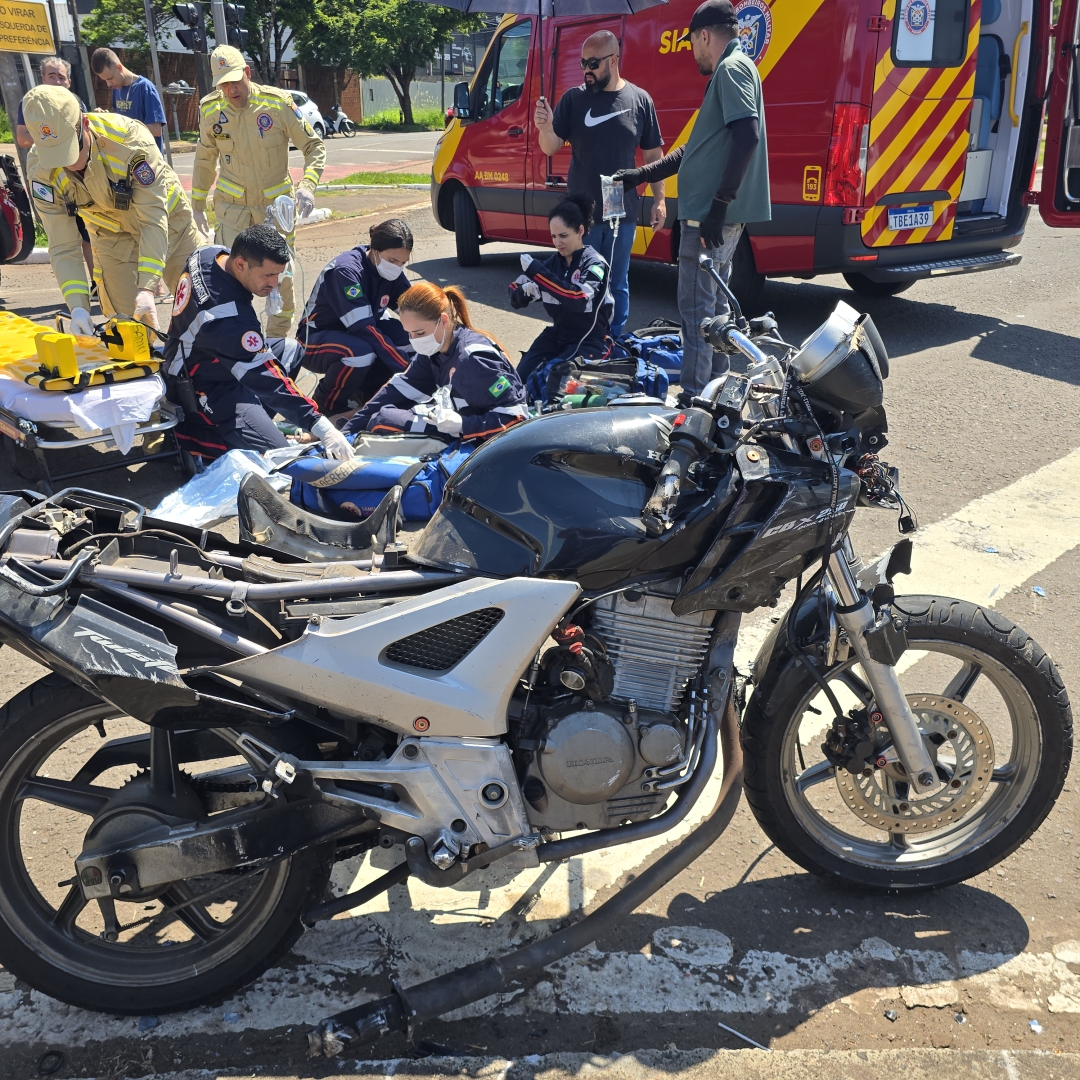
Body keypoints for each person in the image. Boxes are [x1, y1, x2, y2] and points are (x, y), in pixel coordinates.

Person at [612, 0, 770, 396]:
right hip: (712, 214)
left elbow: (747, 135)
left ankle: (696, 401)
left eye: (693, 44)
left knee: (698, 314)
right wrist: (641, 175)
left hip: (707, 217)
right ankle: (717, 393)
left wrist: (719, 204)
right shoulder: (732, 70)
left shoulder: (731, 69)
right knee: (715, 314)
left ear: (704, 35)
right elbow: (694, 149)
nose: (694, 53)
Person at [163, 224, 352, 463]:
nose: (274, 284)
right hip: (201, 383)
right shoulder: (224, 317)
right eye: (267, 275)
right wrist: (321, 426)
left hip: (207, 356)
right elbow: (267, 378)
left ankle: (252, 421)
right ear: (241, 264)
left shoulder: (210, 254)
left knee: (290, 350)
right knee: (280, 456)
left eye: (278, 274)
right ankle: (191, 437)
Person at [24, 85, 199, 334]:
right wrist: (78, 308)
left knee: (200, 312)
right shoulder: (41, 173)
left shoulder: (129, 142)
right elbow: (63, 246)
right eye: (59, 156)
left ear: (84, 124)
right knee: (128, 330)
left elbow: (153, 220)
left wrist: (147, 288)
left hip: (170, 227)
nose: (71, 163)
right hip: (110, 237)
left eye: (73, 150)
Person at [533, 30, 665, 338]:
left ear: (614, 60)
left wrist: (659, 199)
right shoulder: (574, 99)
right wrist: (544, 126)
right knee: (582, 281)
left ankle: (612, 341)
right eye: (582, 63)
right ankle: (583, 340)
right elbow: (550, 146)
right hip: (582, 217)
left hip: (622, 213)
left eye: (593, 63)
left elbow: (653, 155)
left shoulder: (639, 100)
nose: (586, 70)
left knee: (617, 282)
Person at [191, 45, 325, 338]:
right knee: (228, 280)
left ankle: (275, 346)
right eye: (223, 84)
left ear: (247, 74)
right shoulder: (210, 109)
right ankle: (240, 343)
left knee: (280, 281)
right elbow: (204, 157)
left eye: (235, 82)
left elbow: (314, 146)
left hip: (275, 215)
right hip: (232, 213)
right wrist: (198, 202)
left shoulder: (277, 105)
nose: (230, 90)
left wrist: (307, 187)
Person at [344, 282, 527, 442]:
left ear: (444, 321)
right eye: (409, 333)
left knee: (384, 421)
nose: (414, 340)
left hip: (479, 438)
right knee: (382, 414)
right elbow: (398, 390)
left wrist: (464, 425)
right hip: (456, 421)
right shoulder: (434, 349)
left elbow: (517, 419)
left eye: (419, 333)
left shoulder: (473, 360)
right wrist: (346, 433)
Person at [298, 218, 416, 417]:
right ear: (375, 250)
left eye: (403, 263)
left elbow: (415, 310)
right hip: (315, 339)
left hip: (361, 333)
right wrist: (407, 368)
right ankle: (327, 404)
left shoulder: (390, 271)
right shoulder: (346, 271)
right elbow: (363, 328)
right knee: (360, 352)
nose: (397, 267)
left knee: (410, 338)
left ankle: (367, 391)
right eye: (393, 261)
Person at [508, 195, 613, 388]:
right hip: (558, 335)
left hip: (589, 340)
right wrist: (523, 293)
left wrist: (538, 274)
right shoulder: (553, 264)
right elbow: (514, 290)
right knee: (518, 380)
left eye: (563, 236)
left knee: (553, 381)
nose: (558, 243)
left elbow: (578, 298)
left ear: (580, 231)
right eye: (554, 237)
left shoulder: (595, 264)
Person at [14, 57, 94, 283]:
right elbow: (22, 138)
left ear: (69, 81)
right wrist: (55, 141)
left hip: (79, 175)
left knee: (89, 232)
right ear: (42, 78)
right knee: (64, 237)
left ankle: (97, 283)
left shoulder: (75, 102)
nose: (57, 81)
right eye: (52, 76)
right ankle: (77, 291)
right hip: (47, 175)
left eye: (62, 77)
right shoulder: (31, 104)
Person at [90, 49, 167, 154]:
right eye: (105, 80)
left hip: (149, 161)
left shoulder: (145, 87)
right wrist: (106, 118)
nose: (108, 84)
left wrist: (123, 127)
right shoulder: (116, 89)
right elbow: (119, 120)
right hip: (127, 161)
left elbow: (156, 130)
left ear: (119, 68)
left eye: (110, 78)